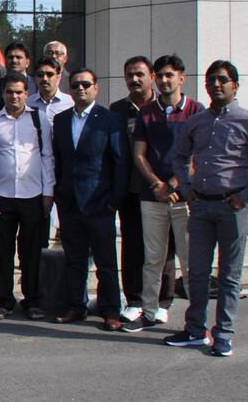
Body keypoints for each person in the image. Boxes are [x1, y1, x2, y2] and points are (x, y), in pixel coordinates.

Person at [166, 60, 248, 357]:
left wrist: (247, 194)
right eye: (210, 80)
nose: (215, 85)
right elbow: (179, 157)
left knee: (230, 275)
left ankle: (224, 334)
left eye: (222, 79)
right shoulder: (197, 121)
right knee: (197, 272)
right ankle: (195, 330)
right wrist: (187, 188)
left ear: (235, 85)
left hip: (234, 207)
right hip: (201, 206)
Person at [124, 54, 204, 332]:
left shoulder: (196, 111)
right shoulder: (147, 112)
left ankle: (196, 322)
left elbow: (196, 156)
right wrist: (157, 185)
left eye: (169, 75)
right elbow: (139, 155)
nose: (164, 80)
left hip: (185, 197)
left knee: (190, 260)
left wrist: (172, 184)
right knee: (153, 259)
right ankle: (149, 311)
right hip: (153, 197)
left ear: (181, 78)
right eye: (159, 75)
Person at [50, 69, 130, 331]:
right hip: (70, 203)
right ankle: (76, 306)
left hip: (100, 203)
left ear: (96, 87)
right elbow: (59, 160)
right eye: (75, 85)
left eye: (86, 84)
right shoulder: (61, 120)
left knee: (106, 263)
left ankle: (110, 310)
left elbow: (120, 162)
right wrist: (60, 195)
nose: (80, 89)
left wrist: (113, 201)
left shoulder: (109, 120)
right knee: (74, 260)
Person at [0, 74, 54, 320]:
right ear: (3, 94)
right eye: (9, 92)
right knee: (2, 252)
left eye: (19, 92)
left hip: (33, 194)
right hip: (1, 195)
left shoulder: (39, 119)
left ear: (26, 94)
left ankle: (32, 301)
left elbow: (47, 157)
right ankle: (4, 301)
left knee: (31, 252)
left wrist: (48, 193)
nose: (14, 96)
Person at [110, 55, 157, 321]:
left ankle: (161, 300)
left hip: (161, 191)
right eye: (130, 75)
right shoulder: (118, 110)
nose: (134, 79)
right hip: (130, 190)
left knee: (161, 248)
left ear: (152, 76)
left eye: (140, 74)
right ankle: (134, 299)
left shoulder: (163, 107)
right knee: (132, 246)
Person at [28, 57, 71, 121]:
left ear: (58, 77)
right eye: (40, 75)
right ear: (35, 78)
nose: (44, 78)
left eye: (50, 74)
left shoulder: (70, 103)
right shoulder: (28, 103)